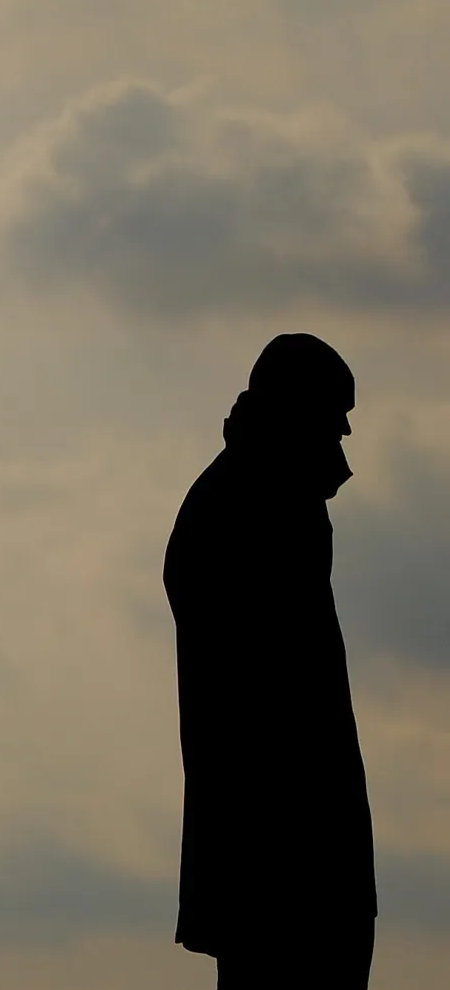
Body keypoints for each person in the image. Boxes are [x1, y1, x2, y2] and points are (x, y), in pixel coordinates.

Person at [164, 333, 377, 989]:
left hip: (296, 854)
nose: (339, 455)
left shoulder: (265, 502)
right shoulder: (246, 510)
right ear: (294, 418)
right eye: (331, 426)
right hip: (280, 859)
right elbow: (272, 708)